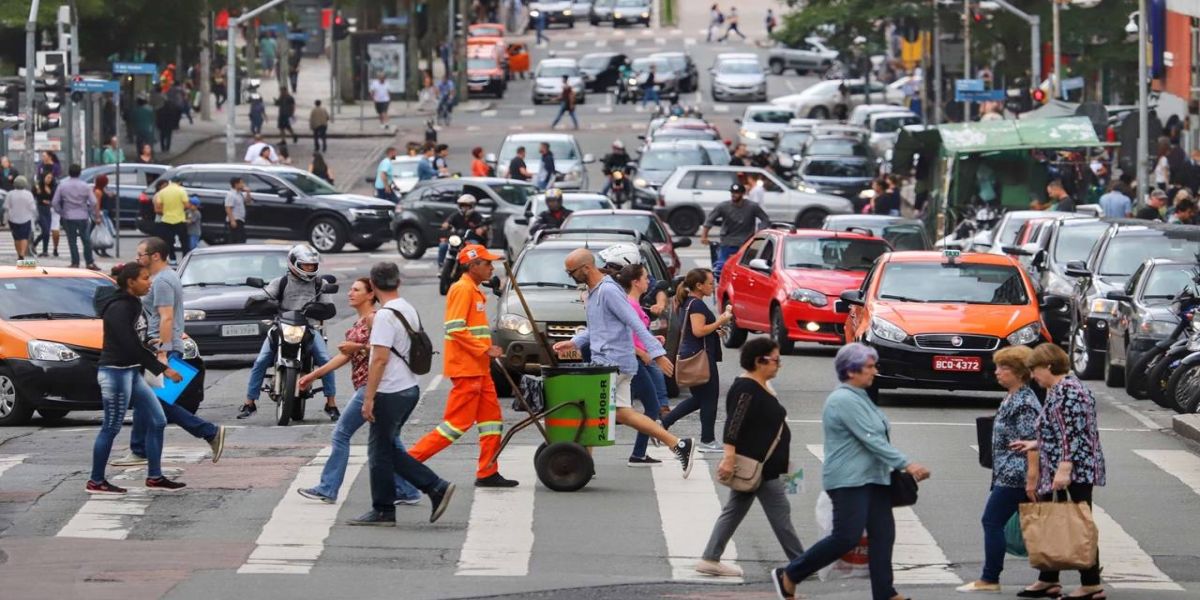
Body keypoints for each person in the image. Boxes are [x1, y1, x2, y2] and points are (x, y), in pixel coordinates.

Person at [770, 343, 930, 600]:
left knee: (883, 535)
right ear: (851, 371)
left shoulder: (860, 396)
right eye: (869, 367)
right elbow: (870, 438)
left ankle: (884, 592)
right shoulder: (843, 399)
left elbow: (877, 436)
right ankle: (790, 574)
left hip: (875, 479)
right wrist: (906, 464)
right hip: (850, 480)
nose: (874, 371)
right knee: (845, 537)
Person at [552, 248, 698, 477]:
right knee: (621, 413)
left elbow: (634, 323)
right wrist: (574, 342)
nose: (570, 277)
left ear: (586, 268)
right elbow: (597, 328)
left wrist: (657, 354)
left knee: (589, 407)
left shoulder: (608, 291)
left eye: (572, 272)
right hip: (613, 361)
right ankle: (678, 444)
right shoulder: (593, 292)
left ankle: (584, 465)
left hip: (613, 362)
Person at [296, 277, 423, 506]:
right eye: (351, 290)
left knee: (341, 433)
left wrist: (358, 348)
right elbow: (344, 357)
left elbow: (384, 351)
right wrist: (313, 376)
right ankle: (408, 490)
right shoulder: (358, 323)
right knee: (391, 440)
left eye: (356, 290)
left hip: (373, 386)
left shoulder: (375, 319)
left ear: (370, 295)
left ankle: (328, 487)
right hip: (373, 388)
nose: (350, 294)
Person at [350, 261, 457, 525]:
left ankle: (430, 488)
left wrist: (369, 397)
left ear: (373, 287)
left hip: (390, 390)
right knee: (384, 449)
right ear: (399, 282)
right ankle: (390, 506)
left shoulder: (385, 316)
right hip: (409, 387)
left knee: (380, 452)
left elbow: (379, 359)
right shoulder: (407, 308)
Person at [109, 237, 227, 469]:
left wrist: (162, 352)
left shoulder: (163, 281)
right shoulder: (165, 277)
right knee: (149, 400)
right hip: (162, 347)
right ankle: (140, 449)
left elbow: (166, 317)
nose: (137, 258)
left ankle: (209, 432)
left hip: (165, 349)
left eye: (140, 254)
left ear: (155, 256)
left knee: (154, 402)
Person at [408, 244, 519, 488]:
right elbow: (455, 328)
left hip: (479, 369)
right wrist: (485, 349)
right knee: (455, 426)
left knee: (492, 422)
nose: (492, 267)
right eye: (487, 263)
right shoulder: (462, 289)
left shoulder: (475, 290)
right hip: (467, 370)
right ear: (473, 265)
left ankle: (488, 472)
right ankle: (406, 465)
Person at [698, 336, 803, 577]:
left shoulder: (762, 386)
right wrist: (728, 457)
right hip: (760, 467)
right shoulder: (746, 387)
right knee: (781, 516)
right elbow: (733, 424)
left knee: (735, 510)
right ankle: (801, 563)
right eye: (775, 360)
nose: (779, 365)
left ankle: (710, 557)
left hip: (765, 465)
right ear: (759, 361)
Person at [1010, 343, 1106, 600]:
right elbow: (1057, 431)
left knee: (1077, 523)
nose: (1033, 376)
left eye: (1036, 369)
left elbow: (1073, 436)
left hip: (1074, 469)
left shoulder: (1069, 391)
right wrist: (1035, 443)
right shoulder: (1056, 390)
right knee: (1053, 521)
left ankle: (1091, 583)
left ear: (1049, 366)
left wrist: (1064, 469)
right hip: (1062, 465)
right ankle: (1048, 578)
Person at [88, 262, 185, 495]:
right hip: (115, 373)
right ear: (130, 282)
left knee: (158, 420)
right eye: (144, 278)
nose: (149, 282)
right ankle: (96, 481)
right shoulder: (119, 307)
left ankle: (154, 476)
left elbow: (135, 339)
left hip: (131, 371)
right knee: (111, 427)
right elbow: (128, 344)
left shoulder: (133, 303)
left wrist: (149, 345)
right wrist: (163, 368)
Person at [955, 346, 1041, 593]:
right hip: (1007, 471)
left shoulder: (1024, 402)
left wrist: (1031, 478)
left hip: (1016, 473)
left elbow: (1032, 441)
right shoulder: (1013, 396)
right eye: (998, 367)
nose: (998, 372)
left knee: (991, 521)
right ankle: (1051, 576)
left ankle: (990, 578)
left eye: (1004, 368)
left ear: (1020, 372)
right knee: (1020, 524)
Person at [237, 245, 340, 420]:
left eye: (312, 266)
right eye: (306, 265)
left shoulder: (319, 284)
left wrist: (318, 309)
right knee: (261, 360)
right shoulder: (281, 282)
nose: (309, 269)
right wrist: (257, 301)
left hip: (309, 328)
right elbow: (266, 295)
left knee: (325, 360)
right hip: (281, 326)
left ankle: (331, 403)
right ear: (293, 264)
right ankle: (249, 402)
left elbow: (329, 307)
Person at [661, 268, 730, 453]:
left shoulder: (689, 302)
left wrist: (714, 330)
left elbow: (695, 330)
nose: (712, 286)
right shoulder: (696, 304)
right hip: (700, 356)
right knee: (709, 398)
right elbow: (698, 330)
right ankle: (707, 440)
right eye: (709, 283)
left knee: (699, 399)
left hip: (694, 353)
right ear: (699, 286)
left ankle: (664, 423)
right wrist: (720, 321)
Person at [612, 261, 670, 467]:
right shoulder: (628, 304)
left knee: (649, 407)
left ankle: (639, 453)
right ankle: (638, 454)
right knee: (647, 407)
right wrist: (642, 352)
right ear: (636, 282)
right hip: (634, 361)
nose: (648, 281)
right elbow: (623, 336)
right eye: (645, 278)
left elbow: (639, 334)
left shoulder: (634, 303)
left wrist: (654, 342)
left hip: (640, 359)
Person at [700, 182, 770, 282]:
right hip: (728, 241)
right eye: (732, 192)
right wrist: (704, 236)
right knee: (722, 265)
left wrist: (760, 232)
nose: (734, 195)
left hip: (746, 243)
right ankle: (721, 283)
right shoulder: (723, 206)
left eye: (737, 193)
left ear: (742, 194)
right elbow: (709, 220)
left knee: (748, 267)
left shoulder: (752, 206)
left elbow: (765, 219)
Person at [51, 164, 99, 271]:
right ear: (79, 173)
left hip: (68, 216)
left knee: (72, 240)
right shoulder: (85, 186)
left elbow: (54, 202)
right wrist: (88, 210)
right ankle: (89, 262)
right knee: (86, 239)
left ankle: (75, 262)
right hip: (83, 215)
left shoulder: (62, 186)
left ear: (69, 173)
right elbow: (94, 201)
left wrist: (61, 211)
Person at [438, 194, 487, 266]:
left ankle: (473, 266)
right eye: (462, 205)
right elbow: (447, 222)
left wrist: (482, 229)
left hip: (470, 239)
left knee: (474, 247)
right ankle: (442, 266)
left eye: (467, 206)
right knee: (443, 245)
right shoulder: (456, 215)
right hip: (457, 238)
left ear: (472, 206)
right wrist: (446, 225)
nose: (464, 208)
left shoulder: (477, 216)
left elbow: (484, 226)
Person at [154, 177, 191, 260]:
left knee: (169, 242)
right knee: (184, 242)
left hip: (166, 220)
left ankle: (172, 259)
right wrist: (181, 210)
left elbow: (158, 208)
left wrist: (167, 211)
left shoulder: (162, 192)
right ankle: (185, 259)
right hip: (180, 219)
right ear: (179, 182)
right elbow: (187, 205)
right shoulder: (181, 190)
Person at [4, 176, 37, 260]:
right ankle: (22, 253)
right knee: (24, 237)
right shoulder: (28, 194)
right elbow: (33, 207)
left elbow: (6, 207)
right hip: (26, 219)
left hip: (13, 219)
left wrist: (6, 218)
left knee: (16, 238)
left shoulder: (10, 194)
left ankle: (19, 253)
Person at [34, 169, 59, 258]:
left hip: (48, 210)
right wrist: (41, 198)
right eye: (48, 177)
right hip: (40, 209)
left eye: (51, 178)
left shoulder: (52, 187)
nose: (49, 179)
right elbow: (34, 196)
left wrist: (50, 195)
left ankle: (44, 250)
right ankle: (36, 244)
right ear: (44, 177)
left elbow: (54, 198)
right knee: (45, 230)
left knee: (47, 231)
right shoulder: (38, 185)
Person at [224, 177, 251, 244]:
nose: (243, 185)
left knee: (241, 238)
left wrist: (248, 193)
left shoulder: (239, 194)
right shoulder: (231, 195)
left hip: (240, 220)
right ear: (236, 184)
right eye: (241, 183)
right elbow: (228, 208)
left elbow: (248, 201)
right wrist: (232, 220)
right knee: (235, 239)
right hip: (235, 220)